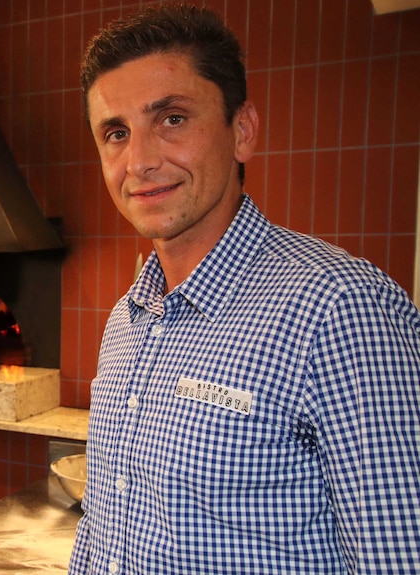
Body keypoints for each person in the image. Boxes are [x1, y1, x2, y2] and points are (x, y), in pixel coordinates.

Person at [70, 4, 420, 574]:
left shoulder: (341, 308)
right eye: (116, 133)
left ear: (243, 131)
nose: (140, 161)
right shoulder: (126, 321)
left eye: (173, 119)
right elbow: (104, 526)